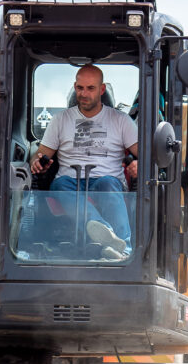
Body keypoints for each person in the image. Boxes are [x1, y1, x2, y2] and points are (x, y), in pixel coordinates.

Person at [31, 65, 139, 258]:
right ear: (75, 87)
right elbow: (40, 154)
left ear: (102, 89)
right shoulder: (60, 120)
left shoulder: (121, 121)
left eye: (90, 88)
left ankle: (125, 250)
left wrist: (140, 163)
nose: (84, 94)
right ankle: (108, 234)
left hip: (107, 180)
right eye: (80, 88)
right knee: (60, 184)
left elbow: (145, 153)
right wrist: (38, 162)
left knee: (108, 184)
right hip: (69, 181)